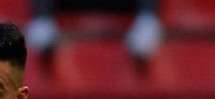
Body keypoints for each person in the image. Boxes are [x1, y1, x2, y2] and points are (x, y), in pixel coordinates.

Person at [26, 0, 162, 58]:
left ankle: (147, 20)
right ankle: (42, 21)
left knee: (146, 23)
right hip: (75, 4)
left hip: (120, 5)